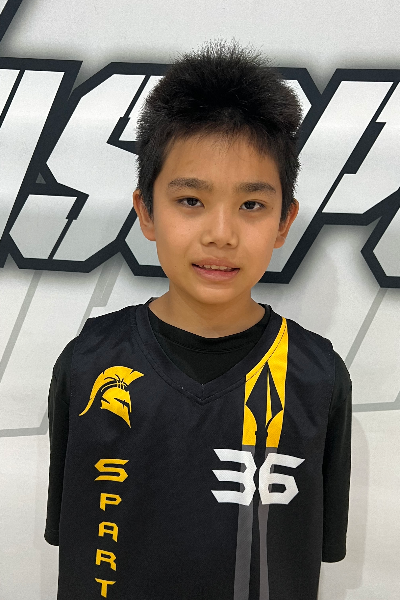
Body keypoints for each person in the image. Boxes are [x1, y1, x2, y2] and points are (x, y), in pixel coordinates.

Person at [45, 41, 352, 600]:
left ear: (284, 222)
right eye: (191, 200)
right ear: (146, 211)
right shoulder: (89, 362)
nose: (221, 234)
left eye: (251, 205)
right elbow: (72, 532)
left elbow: (313, 548)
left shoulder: (317, 376)